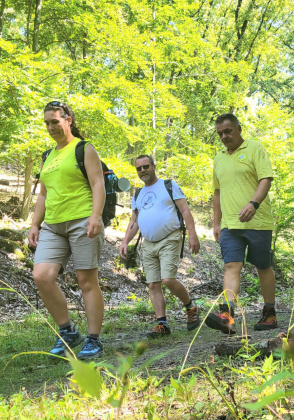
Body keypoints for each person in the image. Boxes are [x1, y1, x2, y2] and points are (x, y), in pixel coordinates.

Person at [27, 101, 106, 360]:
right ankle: (68, 332)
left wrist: (96, 216)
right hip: (53, 224)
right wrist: (34, 224)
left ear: (68, 120)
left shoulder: (84, 149)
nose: (51, 127)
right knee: (42, 276)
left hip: (83, 220)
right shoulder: (47, 156)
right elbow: (43, 194)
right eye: (47, 123)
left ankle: (94, 340)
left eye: (55, 122)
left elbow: (97, 184)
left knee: (86, 281)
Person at [206, 113, 277, 335]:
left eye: (228, 131)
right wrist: (216, 223)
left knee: (262, 266)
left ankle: (269, 312)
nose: (224, 136)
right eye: (220, 134)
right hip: (230, 224)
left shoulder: (255, 148)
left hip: (258, 221)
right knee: (231, 266)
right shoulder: (218, 158)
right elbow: (217, 193)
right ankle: (227, 315)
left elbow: (266, 179)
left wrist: (254, 203)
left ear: (239, 128)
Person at [118, 155, 202, 338]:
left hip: (169, 238)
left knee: (168, 280)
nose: (142, 171)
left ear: (153, 166)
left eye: (145, 166)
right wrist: (125, 242)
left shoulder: (168, 186)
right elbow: (134, 221)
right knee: (153, 284)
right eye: (138, 168)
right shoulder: (138, 194)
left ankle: (191, 307)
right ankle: (162, 323)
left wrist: (193, 235)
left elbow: (185, 210)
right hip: (148, 243)